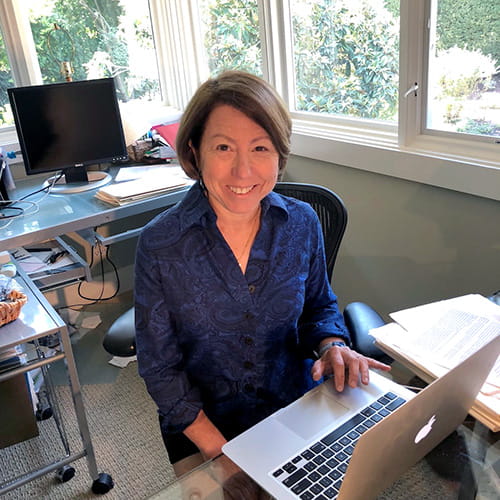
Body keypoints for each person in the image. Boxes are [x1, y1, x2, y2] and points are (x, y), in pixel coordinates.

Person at [134, 70, 390, 477]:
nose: (243, 171)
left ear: (279, 155)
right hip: (204, 427)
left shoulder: (302, 223)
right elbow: (160, 368)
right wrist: (223, 456)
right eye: (223, 147)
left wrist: (331, 344)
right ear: (194, 151)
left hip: (294, 408)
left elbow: (318, 307)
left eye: (260, 148)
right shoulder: (161, 244)